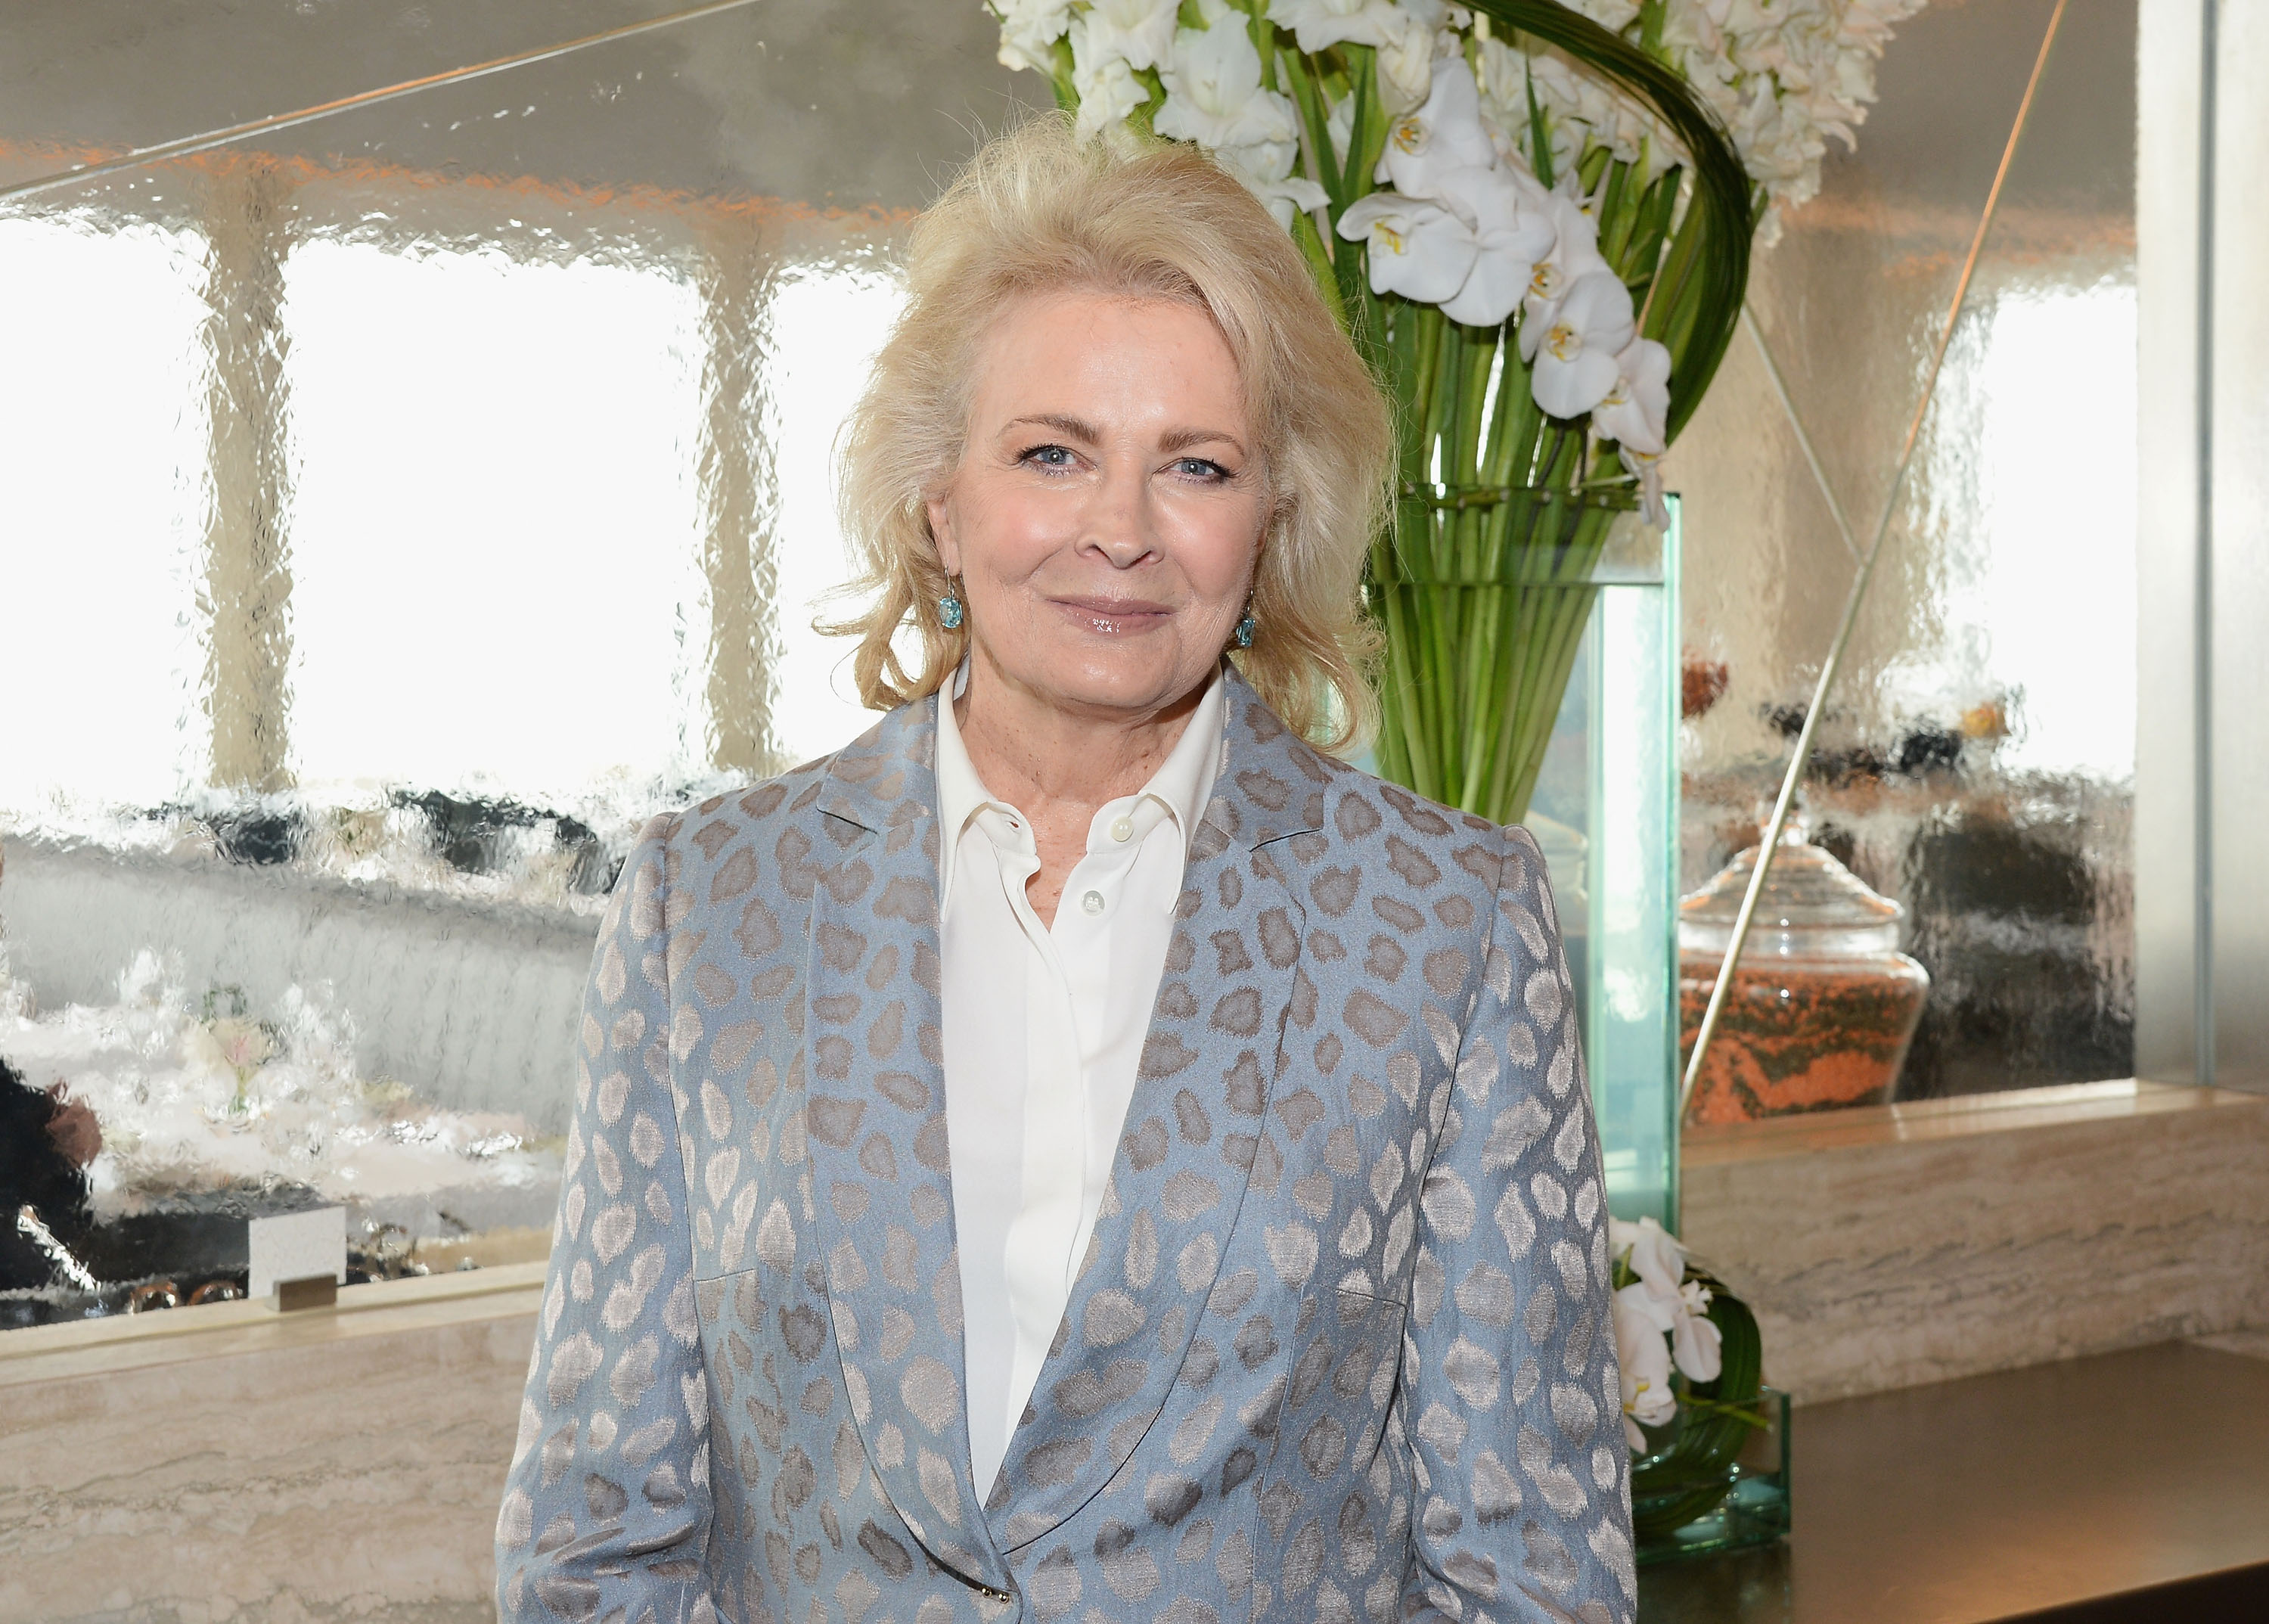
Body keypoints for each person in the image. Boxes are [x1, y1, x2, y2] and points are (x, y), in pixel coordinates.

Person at [498, 114, 1633, 1624]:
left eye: (1197, 467)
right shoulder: (707, 906)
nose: (1122, 533)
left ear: (1269, 523)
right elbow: (594, 1536)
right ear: (940, 502)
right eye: (1054, 453)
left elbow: (1530, 1570)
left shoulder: (1450, 925)